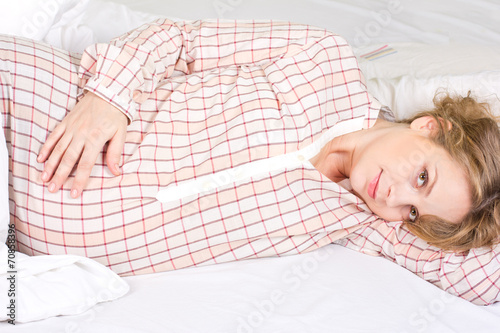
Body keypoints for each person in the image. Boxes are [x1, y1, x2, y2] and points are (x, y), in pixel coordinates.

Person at [1, 18, 499, 305]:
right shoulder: (322, 58)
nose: (397, 197)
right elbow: (183, 40)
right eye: (422, 176)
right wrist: (108, 98)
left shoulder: (358, 224)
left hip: (17, 227)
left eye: (415, 212)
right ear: (431, 126)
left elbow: (483, 279)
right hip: (37, 104)